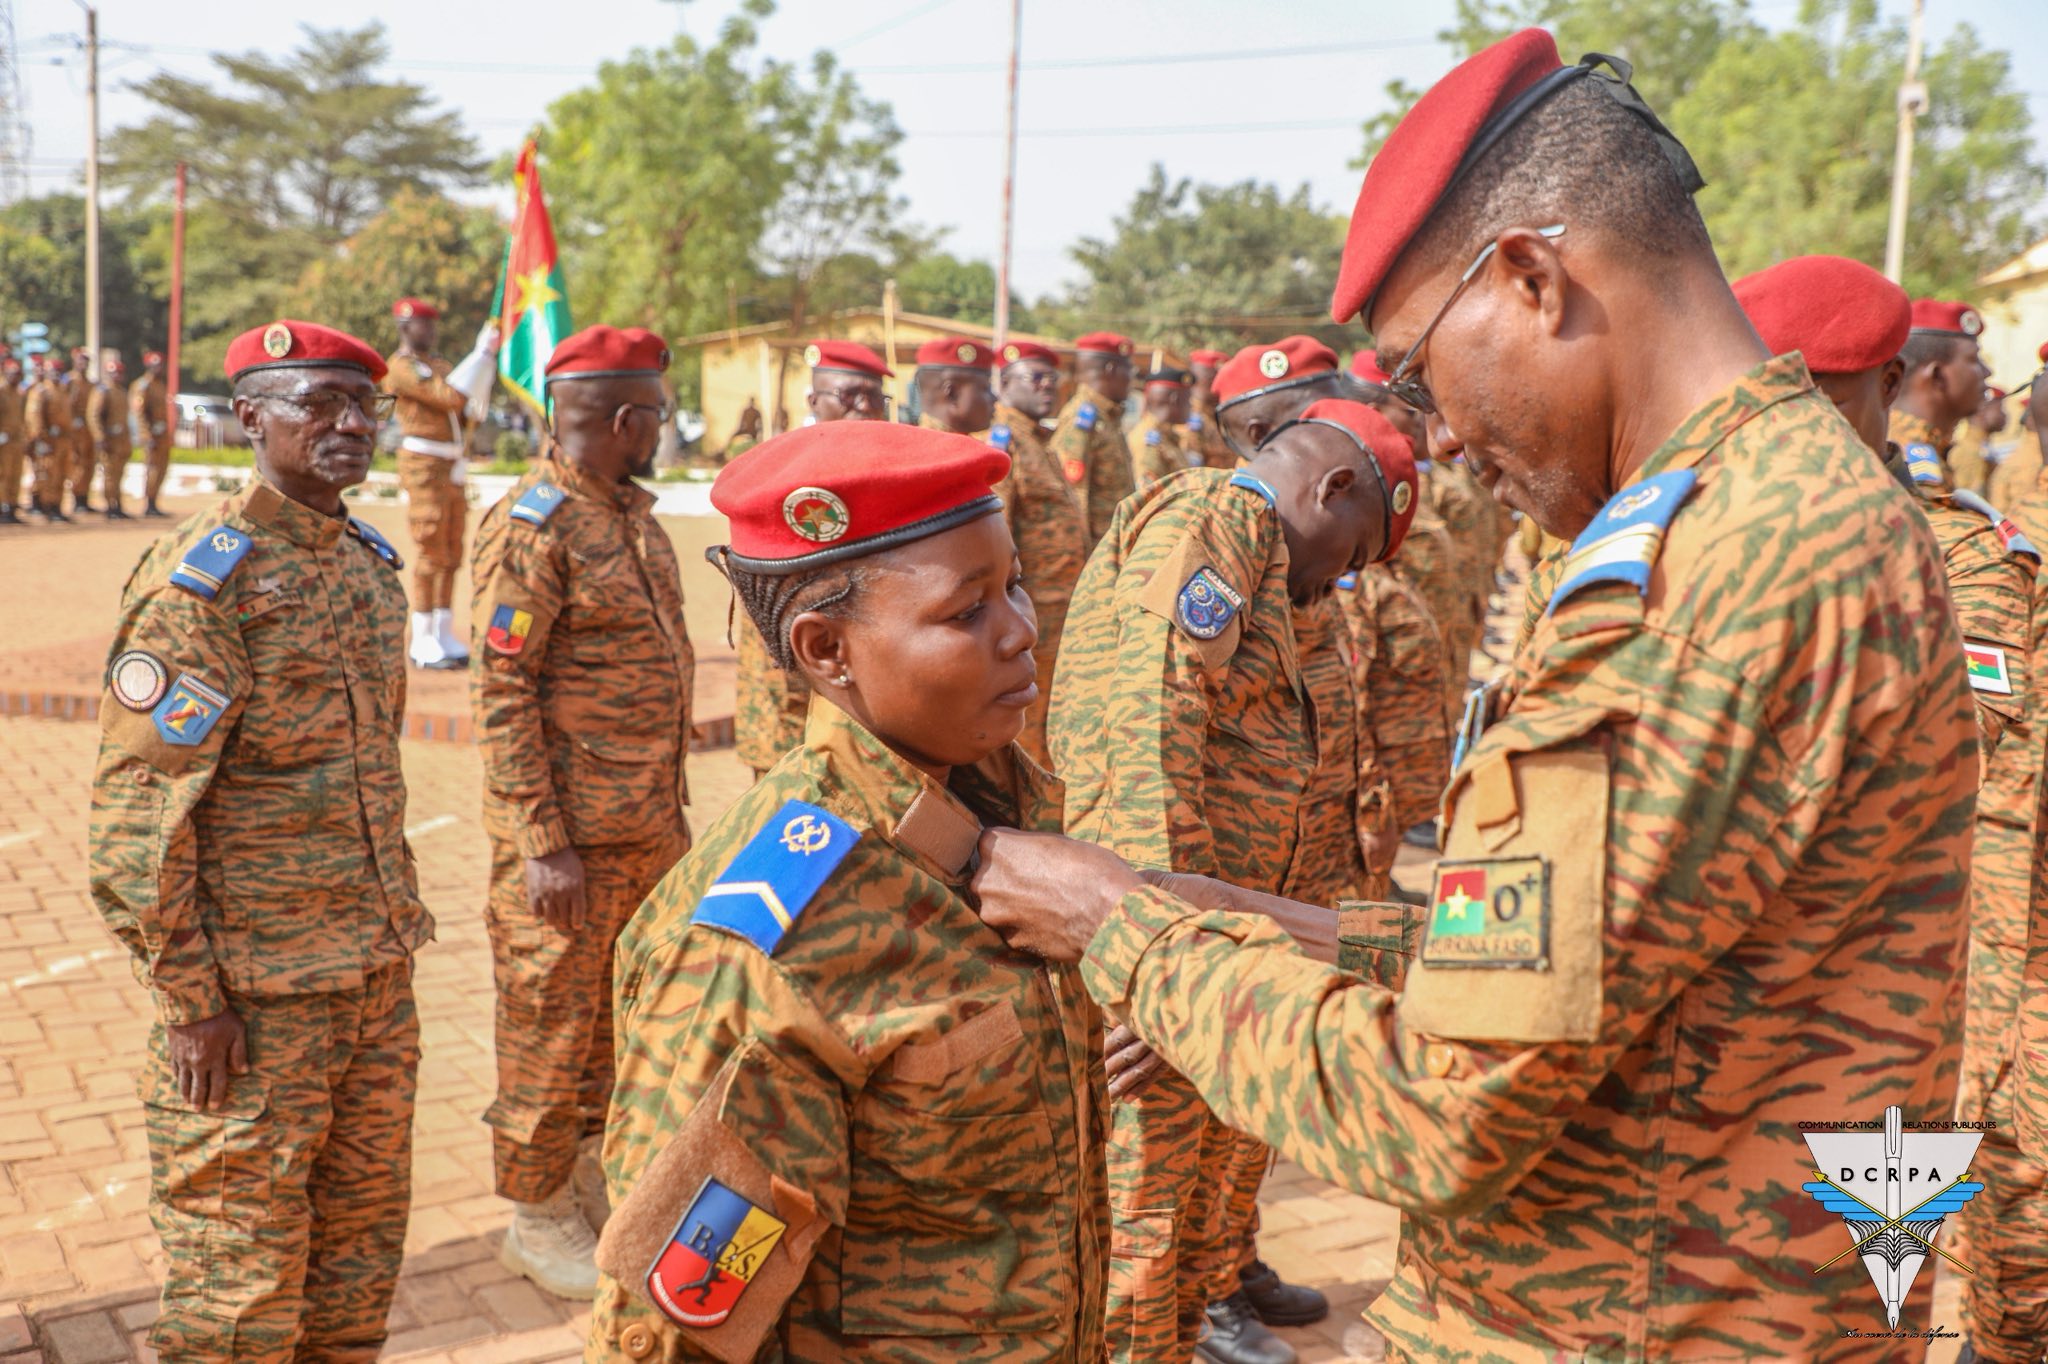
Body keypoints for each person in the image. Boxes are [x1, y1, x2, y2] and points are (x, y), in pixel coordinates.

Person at [972, 31, 1979, 1361]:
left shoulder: (1700, 583)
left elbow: (1435, 1101)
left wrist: (1117, 922)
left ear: (1529, 279)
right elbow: (1585, 967)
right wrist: (1248, 914)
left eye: (1419, 367)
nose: (1437, 434)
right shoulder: (1786, 507)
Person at [586, 421, 1109, 1362]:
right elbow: (683, 1325)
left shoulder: (1005, 805)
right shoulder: (774, 943)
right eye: (967, 613)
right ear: (827, 651)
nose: (1023, 629)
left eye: (1015, 585)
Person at [88, 318, 430, 1360]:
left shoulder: (366, 563)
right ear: (249, 418)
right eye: (316, 402)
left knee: (355, 1272)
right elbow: (137, 812)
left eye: (361, 404)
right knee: (235, 1296)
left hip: (373, 979)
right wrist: (190, 999)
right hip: (252, 1001)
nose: (347, 424)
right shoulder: (204, 581)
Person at [1048, 397, 1415, 1364]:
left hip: (1240, 963)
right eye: (1356, 548)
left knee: (1199, 1222)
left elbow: (1312, 786)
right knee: (1144, 1231)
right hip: (1174, 964)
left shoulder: (1292, 588)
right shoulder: (1217, 521)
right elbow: (1142, 741)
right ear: (1331, 488)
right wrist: (1150, 968)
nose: (1346, 576)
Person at [468, 325, 697, 1300]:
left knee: (618, 1017)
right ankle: (534, 1208)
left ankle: (590, 1167)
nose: (662, 427)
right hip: (570, 845)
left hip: (645, 828)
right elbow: (501, 689)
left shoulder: (631, 514)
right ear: (620, 417)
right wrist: (540, 840)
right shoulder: (534, 526)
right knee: (547, 1024)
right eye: (653, 411)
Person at [733, 340, 891, 779]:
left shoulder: (881, 479)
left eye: (873, 397)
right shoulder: (784, 480)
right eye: (848, 396)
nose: (862, 408)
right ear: (813, 401)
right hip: (790, 713)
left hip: (860, 713)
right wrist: (790, 738)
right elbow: (771, 627)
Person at [381, 296, 499, 670]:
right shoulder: (401, 369)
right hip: (424, 466)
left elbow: (462, 407)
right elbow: (447, 398)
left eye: (433, 325)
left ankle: (443, 631)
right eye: (423, 324)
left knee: (451, 553)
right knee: (431, 552)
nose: (430, 331)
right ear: (405, 326)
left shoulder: (438, 365)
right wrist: (479, 357)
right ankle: (422, 637)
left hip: (451, 465)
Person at [988, 338, 1078, 767]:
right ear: (1005, 382)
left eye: (1053, 379)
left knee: (1050, 716)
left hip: (1058, 610)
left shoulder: (1038, 440)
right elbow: (995, 539)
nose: (1048, 387)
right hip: (1030, 612)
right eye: (1036, 378)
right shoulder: (1004, 442)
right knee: (1028, 721)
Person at [1890, 298, 1993, 489]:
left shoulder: (1922, 447)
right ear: (1937, 375)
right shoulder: (1906, 458)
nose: (1987, 372)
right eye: (1973, 359)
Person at [1047, 331, 1136, 543]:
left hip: (1113, 542)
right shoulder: (1081, 418)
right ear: (1110, 370)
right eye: (1129, 370)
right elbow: (1074, 496)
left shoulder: (1106, 416)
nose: (1132, 379)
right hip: (1097, 550)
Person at [23, 354, 74, 522]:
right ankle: (48, 506)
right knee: (48, 475)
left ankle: (57, 506)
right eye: (52, 371)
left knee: (62, 474)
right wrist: (41, 439)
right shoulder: (40, 391)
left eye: (59, 371)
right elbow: (35, 418)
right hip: (48, 442)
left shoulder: (63, 390)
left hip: (63, 440)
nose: (56, 374)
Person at [912, 335, 997, 435]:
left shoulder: (905, 445)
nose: (994, 398)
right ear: (952, 393)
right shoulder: (975, 450)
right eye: (985, 388)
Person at [1127, 363, 1194, 487]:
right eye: (1188, 400)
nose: (1191, 406)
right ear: (1174, 399)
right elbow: (1147, 496)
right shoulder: (1148, 441)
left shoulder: (1166, 435)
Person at [84, 354, 134, 520]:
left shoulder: (121, 391)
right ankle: (109, 505)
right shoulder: (102, 391)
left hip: (121, 441)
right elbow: (94, 415)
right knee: (110, 474)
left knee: (119, 474)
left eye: (119, 373)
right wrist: (100, 437)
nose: (117, 376)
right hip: (109, 441)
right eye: (114, 373)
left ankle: (117, 504)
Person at [132, 349, 175, 517]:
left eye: (159, 365)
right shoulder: (143, 385)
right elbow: (140, 413)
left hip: (162, 434)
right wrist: (147, 435)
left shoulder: (160, 385)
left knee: (162, 468)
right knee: (152, 469)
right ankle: (148, 503)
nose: (157, 369)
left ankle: (154, 501)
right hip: (151, 436)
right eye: (154, 366)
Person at [1184, 348, 1232, 468]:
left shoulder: (1220, 414)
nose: (1220, 386)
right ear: (1198, 379)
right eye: (1213, 380)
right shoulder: (1187, 417)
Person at [63, 346, 95, 515]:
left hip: (87, 431)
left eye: (86, 360)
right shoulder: (68, 380)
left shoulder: (90, 384)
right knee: (77, 464)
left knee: (88, 464)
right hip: (74, 432)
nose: (83, 363)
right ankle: (76, 498)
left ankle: (84, 497)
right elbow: (63, 405)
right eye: (80, 360)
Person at [0, 353, 23, 524]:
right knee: (3, 475)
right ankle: (3, 507)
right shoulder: (1, 390)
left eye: (17, 373)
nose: (14, 376)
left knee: (16, 474)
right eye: (11, 373)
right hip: (4, 441)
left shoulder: (18, 392)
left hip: (16, 440)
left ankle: (12, 506)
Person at [723, 395, 762, 460]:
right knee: (732, 436)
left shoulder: (756, 412)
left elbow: (759, 423)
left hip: (752, 431)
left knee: (734, 437)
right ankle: (726, 451)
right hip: (746, 430)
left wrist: (758, 432)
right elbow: (742, 421)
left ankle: (727, 451)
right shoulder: (747, 411)